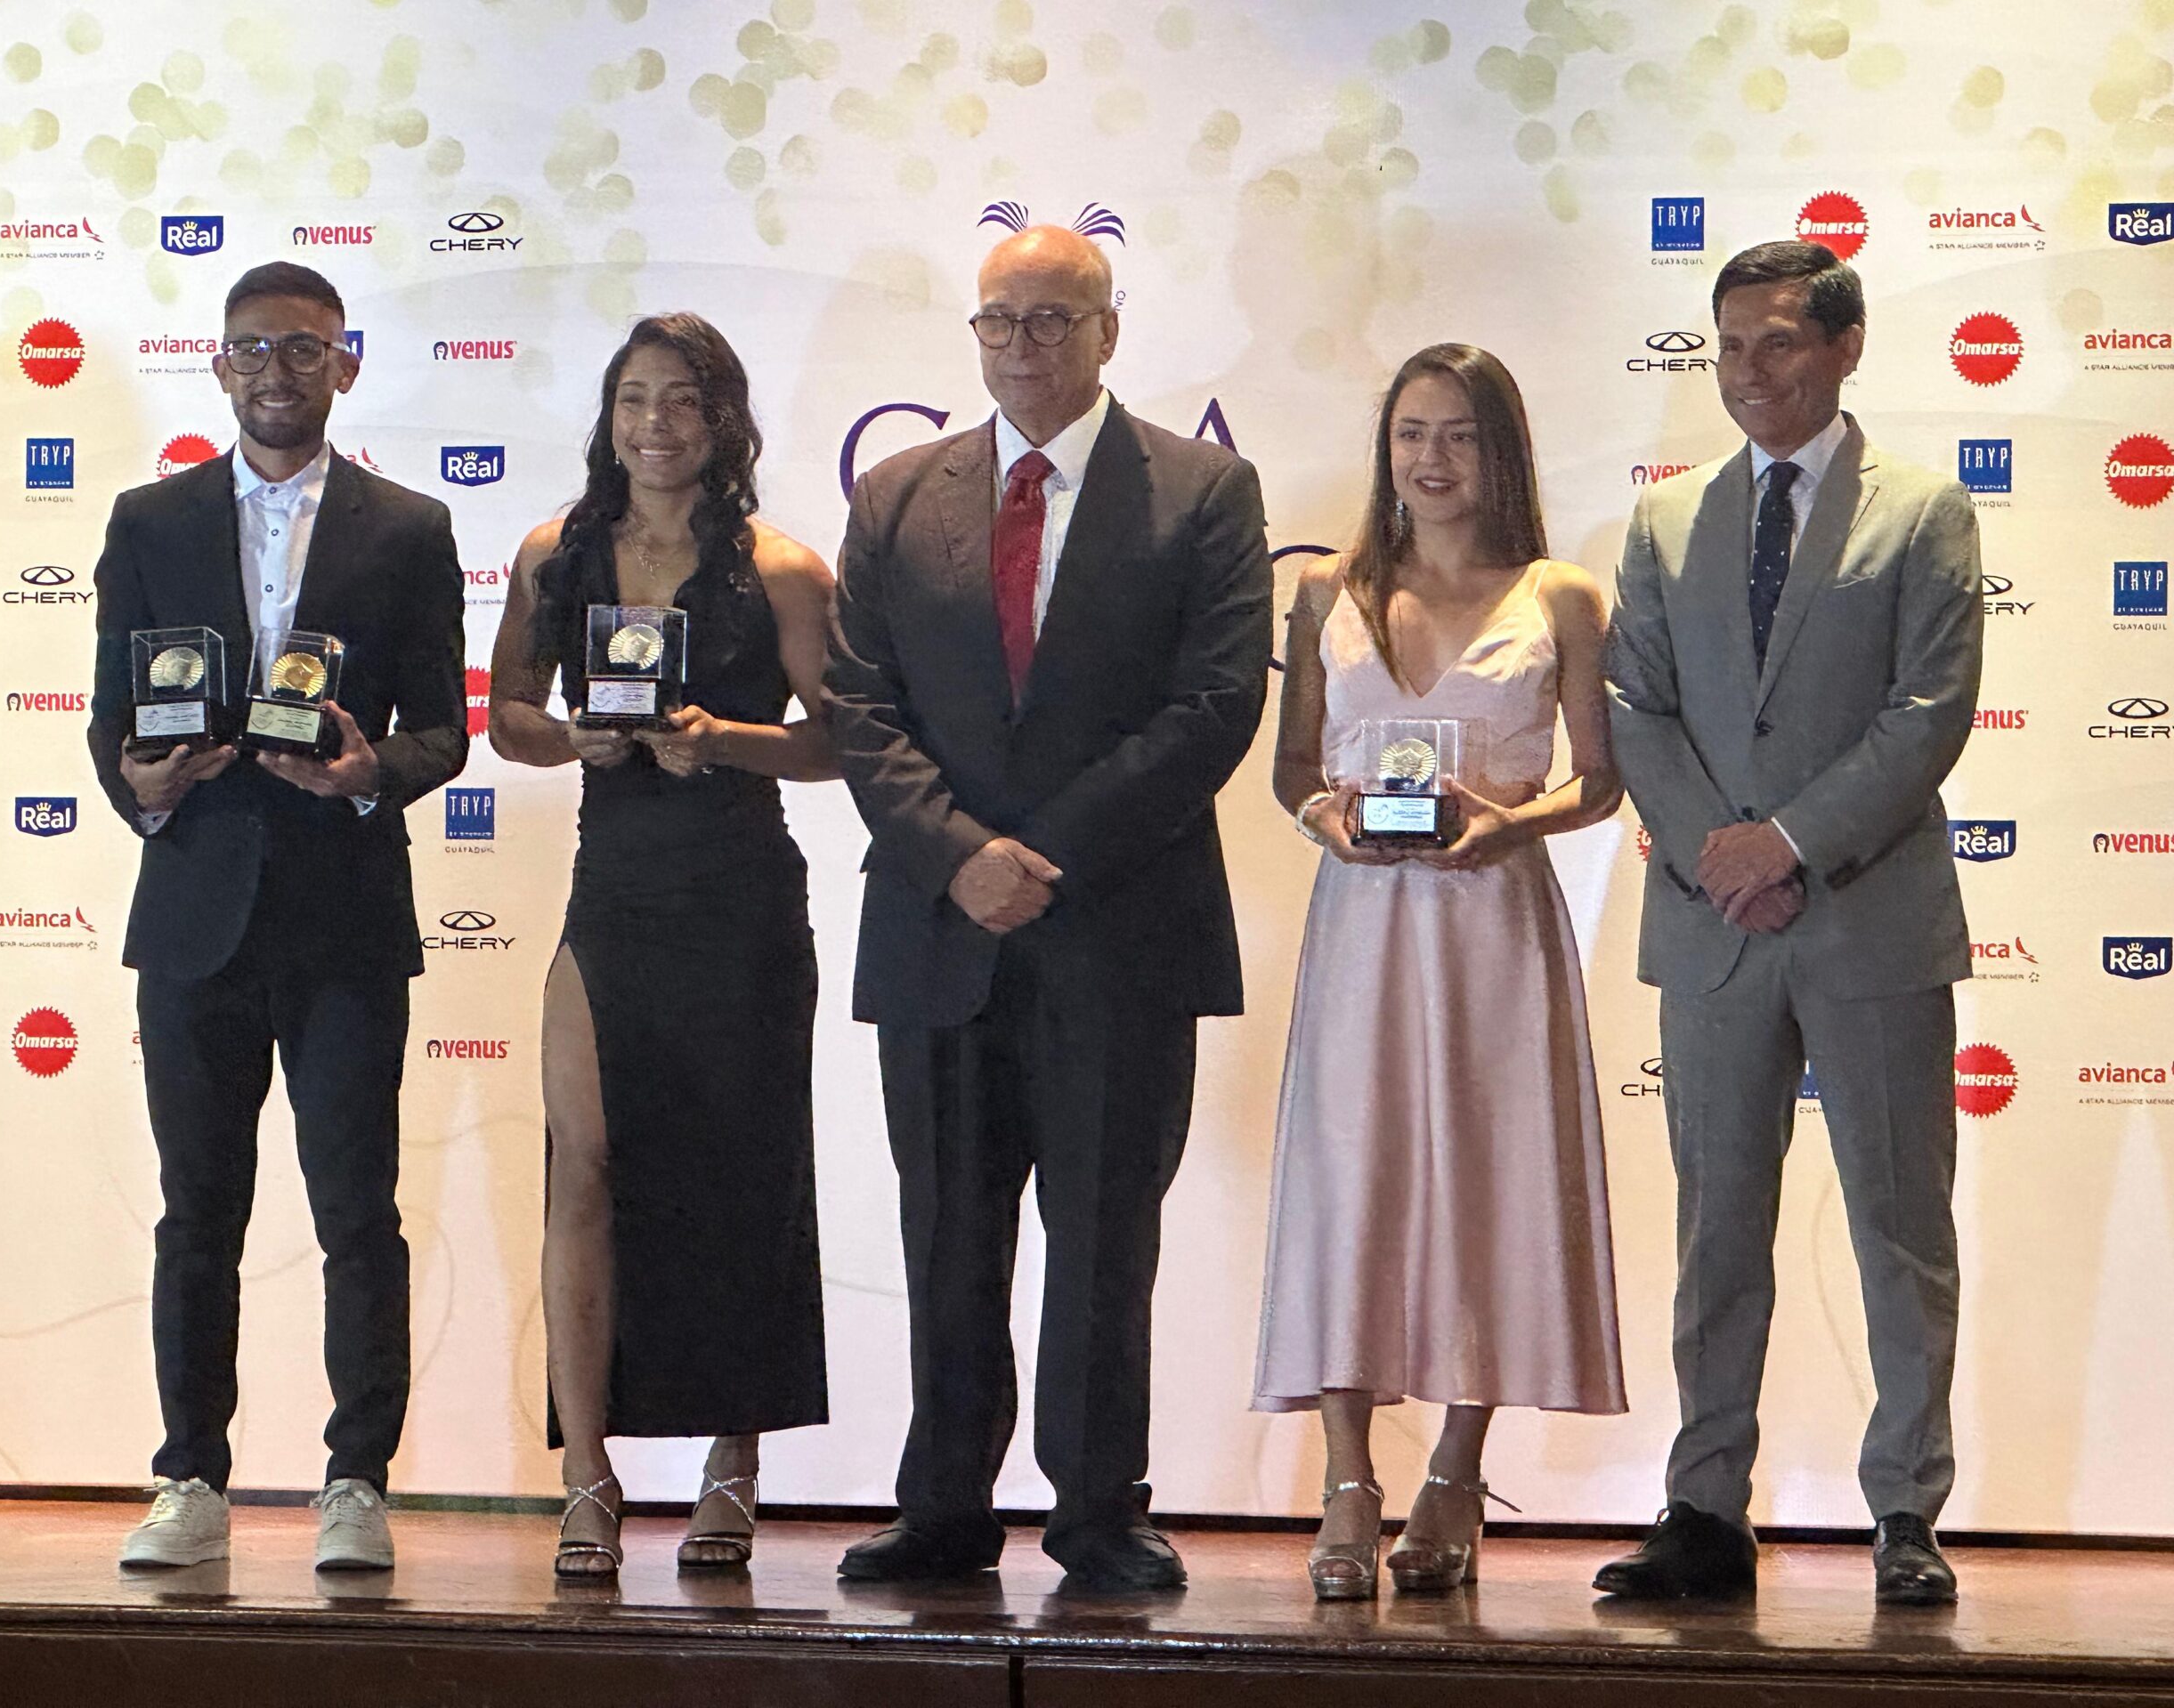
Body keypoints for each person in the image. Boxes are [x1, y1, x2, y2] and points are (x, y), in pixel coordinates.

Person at [823, 225, 1271, 1590]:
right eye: (1000, 320)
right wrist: (961, 856)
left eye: (1054, 319)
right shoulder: (898, 495)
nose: (1023, 345)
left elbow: (1215, 706)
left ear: (1109, 331)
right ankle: (944, 1507)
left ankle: (1097, 1514)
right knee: (948, 1236)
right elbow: (858, 704)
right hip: (939, 928)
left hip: (1119, 930)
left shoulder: (1203, 490)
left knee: (1102, 1242)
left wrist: (1041, 855)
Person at [1596, 240, 1982, 1606]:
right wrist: (1722, 854)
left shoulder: (1923, 510)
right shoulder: (1665, 517)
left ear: (1844, 346)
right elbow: (1635, 704)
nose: (1749, 372)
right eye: (1729, 346)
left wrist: (1791, 842)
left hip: (1869, 921)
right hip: (1714, 928)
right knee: (1715, 1231)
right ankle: (1704, 1509)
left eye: (1777, 342)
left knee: (1898, 1225)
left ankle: (1907, 1511)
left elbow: (1928, 713)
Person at [87, 261, 467, 1571]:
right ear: (219, 364)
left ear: (345, 365)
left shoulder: (408, 528)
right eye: (252, 348)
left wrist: (370, 774)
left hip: (345, 919)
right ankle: (190, 1476)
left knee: (357, 1212)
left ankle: (356, 1481)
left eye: (304, 348)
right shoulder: (148, 520)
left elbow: (444, 731)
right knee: (198, 1214)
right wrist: (137, 788)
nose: (276, 371)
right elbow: (109, 719)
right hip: (194, 916)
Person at [1254, 344, 1626, 1599]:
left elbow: (1601, 779)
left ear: (1501, 450)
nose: (1432, 458)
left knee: (1492, 1179)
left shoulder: (1561, 595)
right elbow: (1293, 769)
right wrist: (1327, 820)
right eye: (1412, 432)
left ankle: (1457, 1473)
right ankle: (1346, 1479)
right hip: (1363, 925)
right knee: (1348, 1182)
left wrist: (1513, 824)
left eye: (1460, 434)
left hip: (1494, 924)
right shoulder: (1327, 588)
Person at [487, 314, 836, 1577]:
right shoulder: (554, 553)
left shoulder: (784, 570)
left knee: (744, 1178)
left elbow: (841, 744)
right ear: (608, 416)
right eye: (634, 398)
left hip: (740, 903)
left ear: (724, 420)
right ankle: (587, 1474)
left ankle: (731, 1468)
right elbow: (508, 716)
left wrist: (724, 740)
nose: (655, 425)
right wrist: (567, 740)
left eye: (682, 400)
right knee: (581, 1167)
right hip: (612, 895)